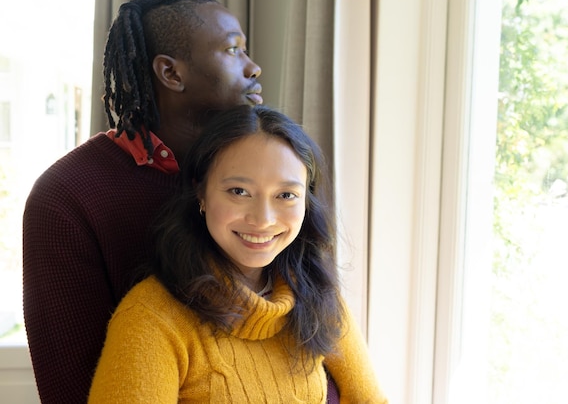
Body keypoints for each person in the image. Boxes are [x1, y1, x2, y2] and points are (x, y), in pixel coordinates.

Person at [21, 0, 267, 403]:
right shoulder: (65, 197)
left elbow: (314, 328)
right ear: (171, 73)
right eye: (232, 49)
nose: (254, 67)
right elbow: (70, 383)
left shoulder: (270, 173)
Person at [87, 104, 387, 403]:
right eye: (239, 192)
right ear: (201, 193)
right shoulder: (151, 319)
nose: (263, 219)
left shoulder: (317, 294)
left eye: (286, 195)